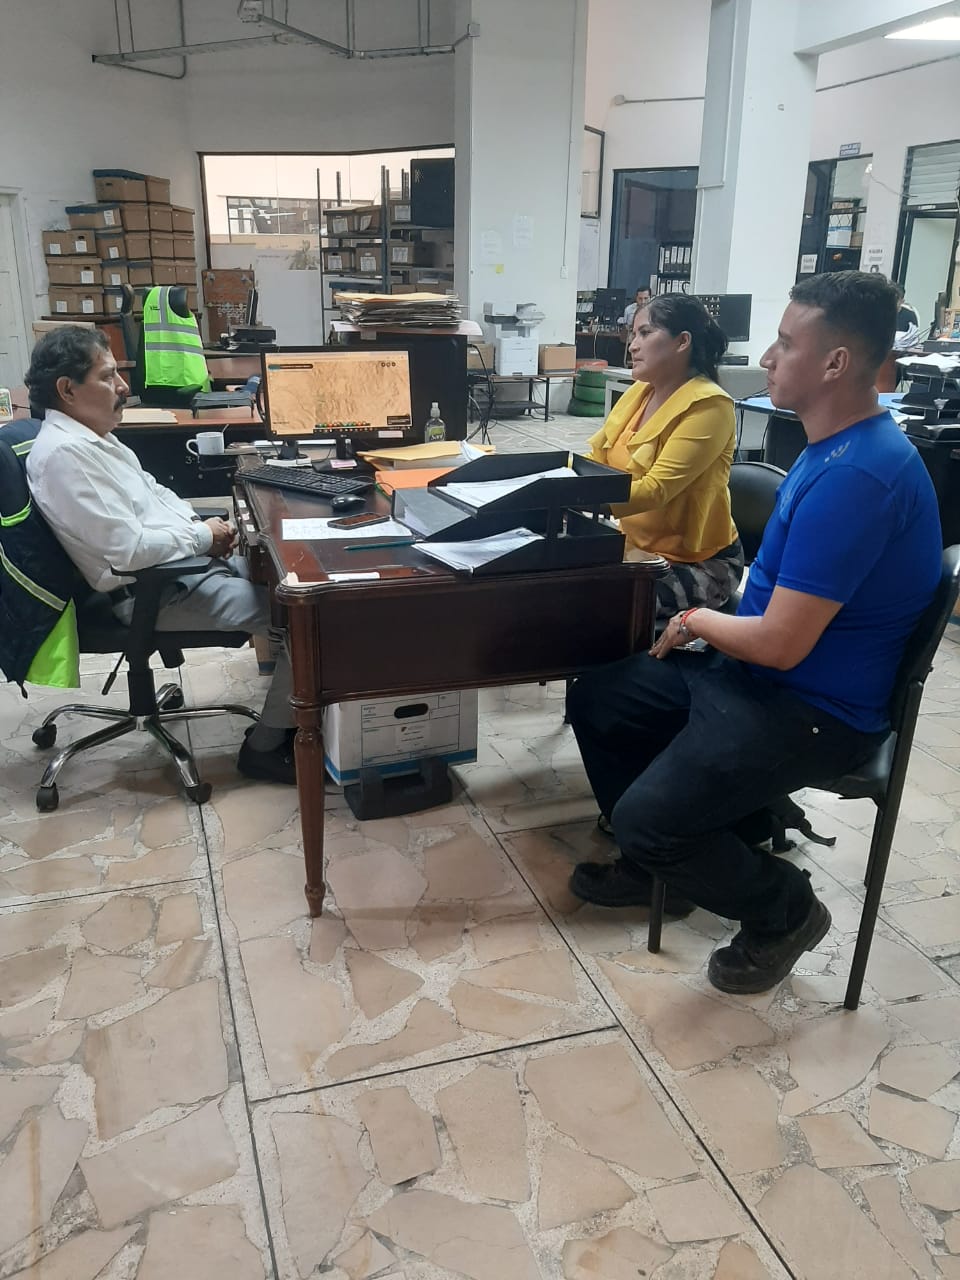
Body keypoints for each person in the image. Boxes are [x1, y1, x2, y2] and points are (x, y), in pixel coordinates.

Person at [567, 271, 942, 995]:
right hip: (761, 675)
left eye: (785, 343)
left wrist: (693, 619)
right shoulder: (832, 446)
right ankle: (670, 865)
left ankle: (785, 910)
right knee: (601, 699)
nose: (766, 358)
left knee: (648, 821)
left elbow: (779, 644)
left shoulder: (860, 476)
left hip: (816, 709)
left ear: (835, 363)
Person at [23, 326, 296, 785]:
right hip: (148, 590)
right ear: (67, 390)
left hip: (174, 571)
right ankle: (265, 748)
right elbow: (127, 552)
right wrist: (202, 538)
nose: (123, 387)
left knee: (281, 576)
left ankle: (303, 713)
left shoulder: (94, 437)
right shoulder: (66, 456)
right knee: (301, 618)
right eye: (108, 377)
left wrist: (203, 530)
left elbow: (155, 493)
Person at [589, 293, 744, 617]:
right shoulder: (640, 392)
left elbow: (656, 490)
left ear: (682, 341)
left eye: (645, 333)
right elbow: (596, 459)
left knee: (590, 604)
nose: (633, 345)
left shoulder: (709, 406)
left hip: (697, 565)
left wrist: (578, 497)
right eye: (634, 334)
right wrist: (550, 478)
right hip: (637, 551)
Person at [892, 282, 922, 351]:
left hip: (903, 351)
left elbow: (914, 339)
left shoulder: (910, 315)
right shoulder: (882, 313)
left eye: (896, 300)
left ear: (902, 301)